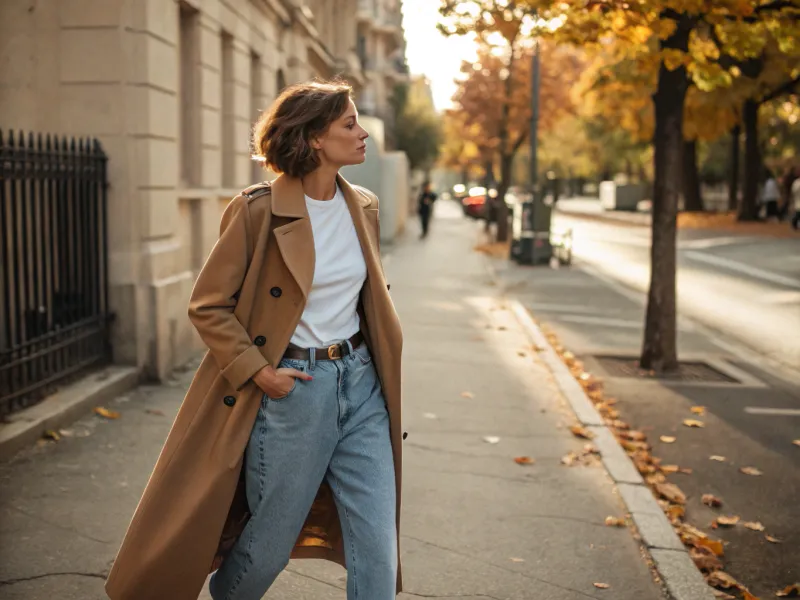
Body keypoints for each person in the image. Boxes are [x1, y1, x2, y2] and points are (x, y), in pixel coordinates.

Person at [105, 80, 405, 600]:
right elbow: (208, 304)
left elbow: (366, 300)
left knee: (379, 546)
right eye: (349, 124)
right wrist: (261, 373)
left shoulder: (364, 207)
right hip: (297, 389)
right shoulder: (257, 211)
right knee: (269, 546)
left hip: (361, 384)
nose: (362, 134)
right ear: (315, 137)